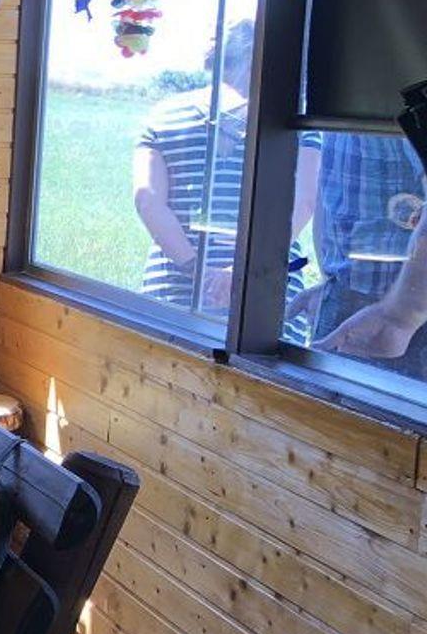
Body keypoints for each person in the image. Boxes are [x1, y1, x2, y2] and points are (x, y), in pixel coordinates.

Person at [133, 19, 319, 321]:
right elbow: (304, 203)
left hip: (172, 293)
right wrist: (244, 269)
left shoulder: (164, 115)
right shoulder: (294, 121)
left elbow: (147, 202)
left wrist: (199, 272)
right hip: (265, 293)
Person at [311, 131, 427, 378]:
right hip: (356, 301)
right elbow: (335, 187)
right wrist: (331, 281)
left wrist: (402, 314)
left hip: (400, 326)